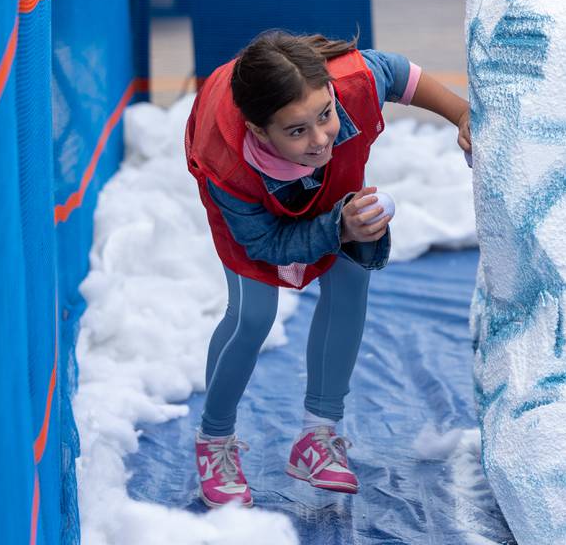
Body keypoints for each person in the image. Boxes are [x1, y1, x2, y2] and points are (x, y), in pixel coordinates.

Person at [184, 29, 471, 508]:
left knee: (351, 277)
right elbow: (268, 244)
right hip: (255, 205)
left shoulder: (351, 84)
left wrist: (460, 113)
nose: (320, 139)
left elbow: (401, 73)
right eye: (298, 130)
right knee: (252, 314)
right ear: (259, 130)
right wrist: (339, 226)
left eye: (325, 115)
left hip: (324, 186)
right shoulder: (228, 164)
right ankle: (214, 441)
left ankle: (317, 436)